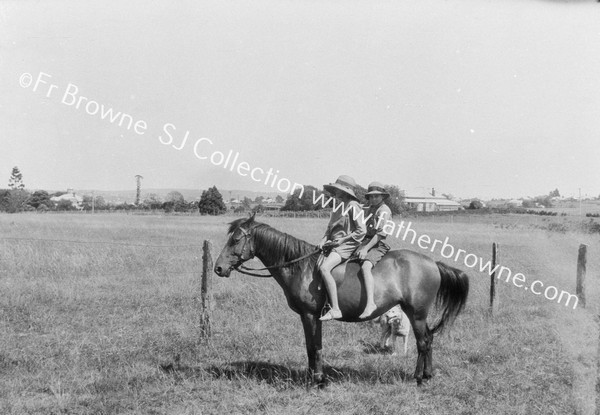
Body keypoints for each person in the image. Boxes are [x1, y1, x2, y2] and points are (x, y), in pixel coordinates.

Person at [318, 175, 366, 321]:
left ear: (345, 192)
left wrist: (342, 240)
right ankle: (323, 302)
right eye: (335, 190)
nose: (335, 193)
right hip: (333, 243)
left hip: (346, 245)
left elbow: (361, 230)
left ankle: (336, 309)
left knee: (324, 268)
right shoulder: (337, 207)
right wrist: (323, 240)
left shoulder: (353, 206)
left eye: (338, 190)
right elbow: (329, 228)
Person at [356, 182, 392, 319]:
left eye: (376, 196)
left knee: (366, 266)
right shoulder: (371, 207)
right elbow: (361, 208)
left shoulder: (383, 211)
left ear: (382, 196)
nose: (373, 199)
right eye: (371, 197)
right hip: (365, 240)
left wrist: (365, 249)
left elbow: (380, 234)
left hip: (377, 243)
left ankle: (371, 303)